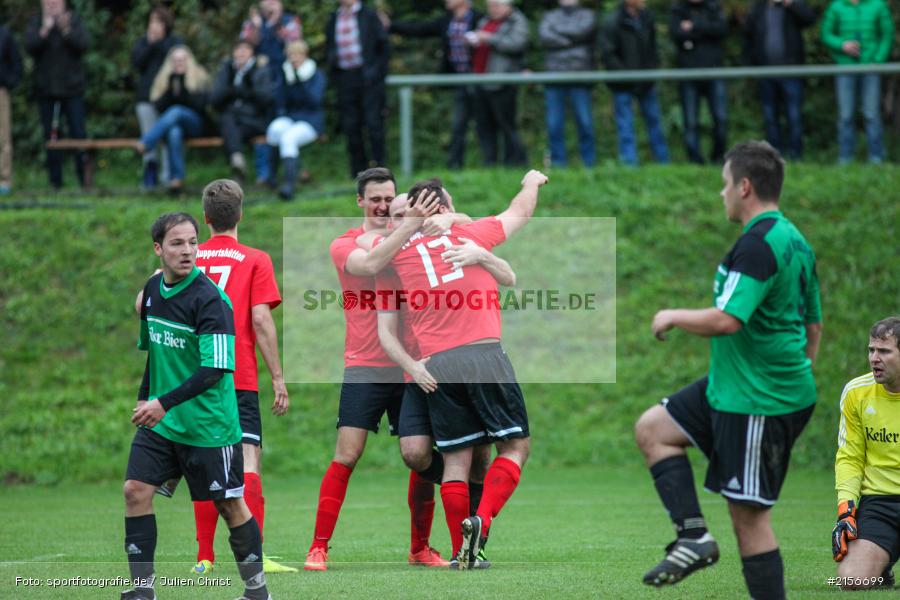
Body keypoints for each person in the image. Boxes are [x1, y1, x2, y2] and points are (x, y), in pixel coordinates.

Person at [634, 141, 822, 600]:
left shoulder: (759, 245)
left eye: (724, 185)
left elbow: (727, 319)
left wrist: (672, 315)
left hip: (759, 399)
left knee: (749, 519)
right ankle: (694, 537)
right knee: (654, 429)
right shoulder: (793, 239)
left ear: (744, 186)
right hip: (735, 388)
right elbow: (813, 324)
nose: (721, 195)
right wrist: (800, 371)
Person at [384, 170, 549, 569]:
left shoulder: (397, 253)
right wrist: (531, 181)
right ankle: (483, 518)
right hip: (483, 354)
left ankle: (463, 552)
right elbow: (519, 212)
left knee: (456, 461)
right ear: (444, 207)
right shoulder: (472, 235)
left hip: (437, 365)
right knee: (515, 447)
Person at [304, 168, 448, 571]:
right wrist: (413, 226)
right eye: (376, 199)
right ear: (361, 202)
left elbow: (462, 226)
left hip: (414, 365)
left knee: (419, 455)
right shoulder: (345, 244)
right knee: (347, 455)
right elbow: (371, 262)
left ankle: (421, 547)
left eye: (390, 198)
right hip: (366, 364)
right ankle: (318, 547)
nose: (384, 206)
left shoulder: (411, 235)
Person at [121, 212, 270, 600]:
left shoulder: (210, 300)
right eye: (177, 243)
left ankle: (257, 591)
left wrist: (162, 403)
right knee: (135, 490)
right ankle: (142, 591)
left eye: (192, 242)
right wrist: (146, 395)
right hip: (164, 422)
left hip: (209, 425)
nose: (188, 251)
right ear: (158, 249)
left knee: (229, 505)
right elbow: (154, 354)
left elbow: (216, 369)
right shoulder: (153, 290)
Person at [832, 316, 900, 590]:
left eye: (884, 351)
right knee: (850, 580)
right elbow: (850, 456)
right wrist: (846, 510)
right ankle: (880, 571)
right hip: (880, 504)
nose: (874, 358)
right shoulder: (856, 392)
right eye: (871, 350)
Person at [382, 0, 484, 169]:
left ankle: (497, 164)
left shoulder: (480, 18)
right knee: (458, 125)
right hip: (460, 81)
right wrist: (391, 25)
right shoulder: (447, 21)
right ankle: (455, 166)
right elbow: (420, 29)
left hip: (484, 80)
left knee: (487, 124)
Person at [23, 0, 90, 190]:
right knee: (51, 138)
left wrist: (66, 30)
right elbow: (29, 47)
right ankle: (55, 182)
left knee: (78, 134)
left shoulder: (73, 21)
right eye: (48, 1)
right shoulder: (37, 23)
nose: (52, 4)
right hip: (47, 92)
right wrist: (44, 30)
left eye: (56, 1)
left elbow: (84, 45)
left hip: (72, 91)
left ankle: (83, 181)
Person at [820, 0, 894, 164]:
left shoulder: (878, 5)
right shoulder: (837, 6)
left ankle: (876, 158)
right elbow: (825, 33)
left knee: (871, 114)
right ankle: (845, 158)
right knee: (845, 116)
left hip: (871, 68)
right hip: (844, 68)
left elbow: (887, 34)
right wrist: (842, 45)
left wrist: (877, 60)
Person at [743, 0, 817, 160]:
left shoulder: (792, 7)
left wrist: (791, 4)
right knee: (770, 117)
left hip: (791, 72)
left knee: (794, 116)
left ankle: (796, 156)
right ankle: (773, 158)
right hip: (765, 73)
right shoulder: (758, 9)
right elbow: (748, 35)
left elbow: (809, 19)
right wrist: (751, 64)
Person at [599, 0, 670, 166]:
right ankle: (629, 165)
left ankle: (664, 162)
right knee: (626, 127)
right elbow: (608, 54)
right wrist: (626, 76)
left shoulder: (647, 17)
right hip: (623, 84)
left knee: (655, 122)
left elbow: (653, 49)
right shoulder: (612, 21)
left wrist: (650, 71)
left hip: (646, 82)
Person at [325, 0, 390, 178]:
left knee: (374, 123)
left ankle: (381, 172)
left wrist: (376, 72)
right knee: (351, 126)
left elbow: (383, 46)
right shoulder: (334, 17)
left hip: (368, 77)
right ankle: (358, 173)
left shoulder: (369, 15)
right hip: (345, 77)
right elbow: (330, 46)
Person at [137, 45, 211, 193]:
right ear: (170, 62)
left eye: (182, 60)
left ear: (189, 60)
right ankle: (176, 179)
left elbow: (200, 106)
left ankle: (146, 142)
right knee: (174, 131)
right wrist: (171, 88)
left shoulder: (199, 76)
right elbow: (158, 107)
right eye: (176, 60)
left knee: (176, 111)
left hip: (196, 125)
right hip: (174, 127)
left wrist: (182, 85)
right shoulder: (165, 79)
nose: (179, 63)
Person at [468, 0, 530, 167]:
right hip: (480, 79)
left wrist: (489, 38)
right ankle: (489, 163)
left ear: (507, 6)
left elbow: (517, 44)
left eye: (495, 6)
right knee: (484, 126)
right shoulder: (484, 21)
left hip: (503, 81)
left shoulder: (518, 21)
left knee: (507, 125)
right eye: (489, 6)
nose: (492, 9)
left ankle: (514, 163)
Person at [538, 0, 597, 168]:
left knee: (585, 122)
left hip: (580, 74)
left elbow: (584, 32)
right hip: (554, 75)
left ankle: (589, 165)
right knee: (554, 124)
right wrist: (572, 40)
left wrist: (558, 34)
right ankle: (558, 164)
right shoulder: (550, 15)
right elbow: (544, 36)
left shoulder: (588, 15)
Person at [669, 0, 728, 164]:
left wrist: (694, 26)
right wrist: (707, 31)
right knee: (690, 122)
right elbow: (677, 34)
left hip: (714, 71)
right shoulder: (677, 9)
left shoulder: (714, 6)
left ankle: (718, 158)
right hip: (688, 73)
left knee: (721, 118)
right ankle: (695, 162)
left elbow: (721, 30)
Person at [266, 40, 325, 200]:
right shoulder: (286, 74)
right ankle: (271, 178)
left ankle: (289, 185)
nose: (294, 58)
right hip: (291, 118)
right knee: (274, 129)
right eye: (291, 54)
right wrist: (284, 81)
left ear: (305, 55)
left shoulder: (315, 74)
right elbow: (280, 102)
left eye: (297, 54)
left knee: (288, 138)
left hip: (311, 121)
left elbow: (314, 100)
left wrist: (299, 78)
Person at [131, 6, 182, 190]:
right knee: (150, 132)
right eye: (152, 21)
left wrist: (159, 43)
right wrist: (151, 44)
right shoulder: (144, 42)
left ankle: (168, 177)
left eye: (158, 21)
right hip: (146, 98)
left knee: (168, 135)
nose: (154, 25)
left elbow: (180, 63)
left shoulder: (174, 42)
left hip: (169, 99)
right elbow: (137, 63)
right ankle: (150, 170)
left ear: (166, 23)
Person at [210, 41, 274, 184]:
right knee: (229, 122)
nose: (241, 53)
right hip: (233, 122)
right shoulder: (226, 71)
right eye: (238, 49)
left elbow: (267, 99)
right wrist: (231, 88)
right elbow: (214, 100)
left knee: (228, 125)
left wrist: (247, 91)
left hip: (254, 121)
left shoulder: (261, 70)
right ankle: (238, 162)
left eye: (245, 49)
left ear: (252, 53)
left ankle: (237, 164)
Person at [240, 0, 303, 70]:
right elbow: (245, 46)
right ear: (260, 3)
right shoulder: (252, 22)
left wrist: (276, 22)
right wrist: (256, 28)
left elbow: (296, 46)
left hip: (284, 68)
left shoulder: (290, 21)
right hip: (259, 68)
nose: (270, 2)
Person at [0, 22, 23, 195]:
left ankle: (4, 181)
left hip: (0, 91)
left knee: (3, 137)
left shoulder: (4, 34)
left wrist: (9, 82)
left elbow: (16, 62)